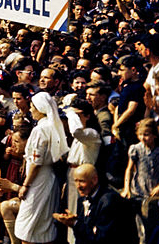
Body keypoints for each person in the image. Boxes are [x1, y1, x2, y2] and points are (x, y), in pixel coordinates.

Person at [13, 91, 68, 244]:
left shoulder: (40, 129)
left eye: (32, 107)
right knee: (42, 223)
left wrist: (26, 185)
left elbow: (36, 162)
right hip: (48, 179)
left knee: (29, 226)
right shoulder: (51, 126)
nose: (30, 110)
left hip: (38, 181)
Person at [53, 164, 136, 244]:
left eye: (82, 181)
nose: (78, 186)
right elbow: (81, 236)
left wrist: (75, 223)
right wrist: (75, 222)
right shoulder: (81, 200)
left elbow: (101, 238)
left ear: (94, 180)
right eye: (76, 181)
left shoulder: (108, 201)